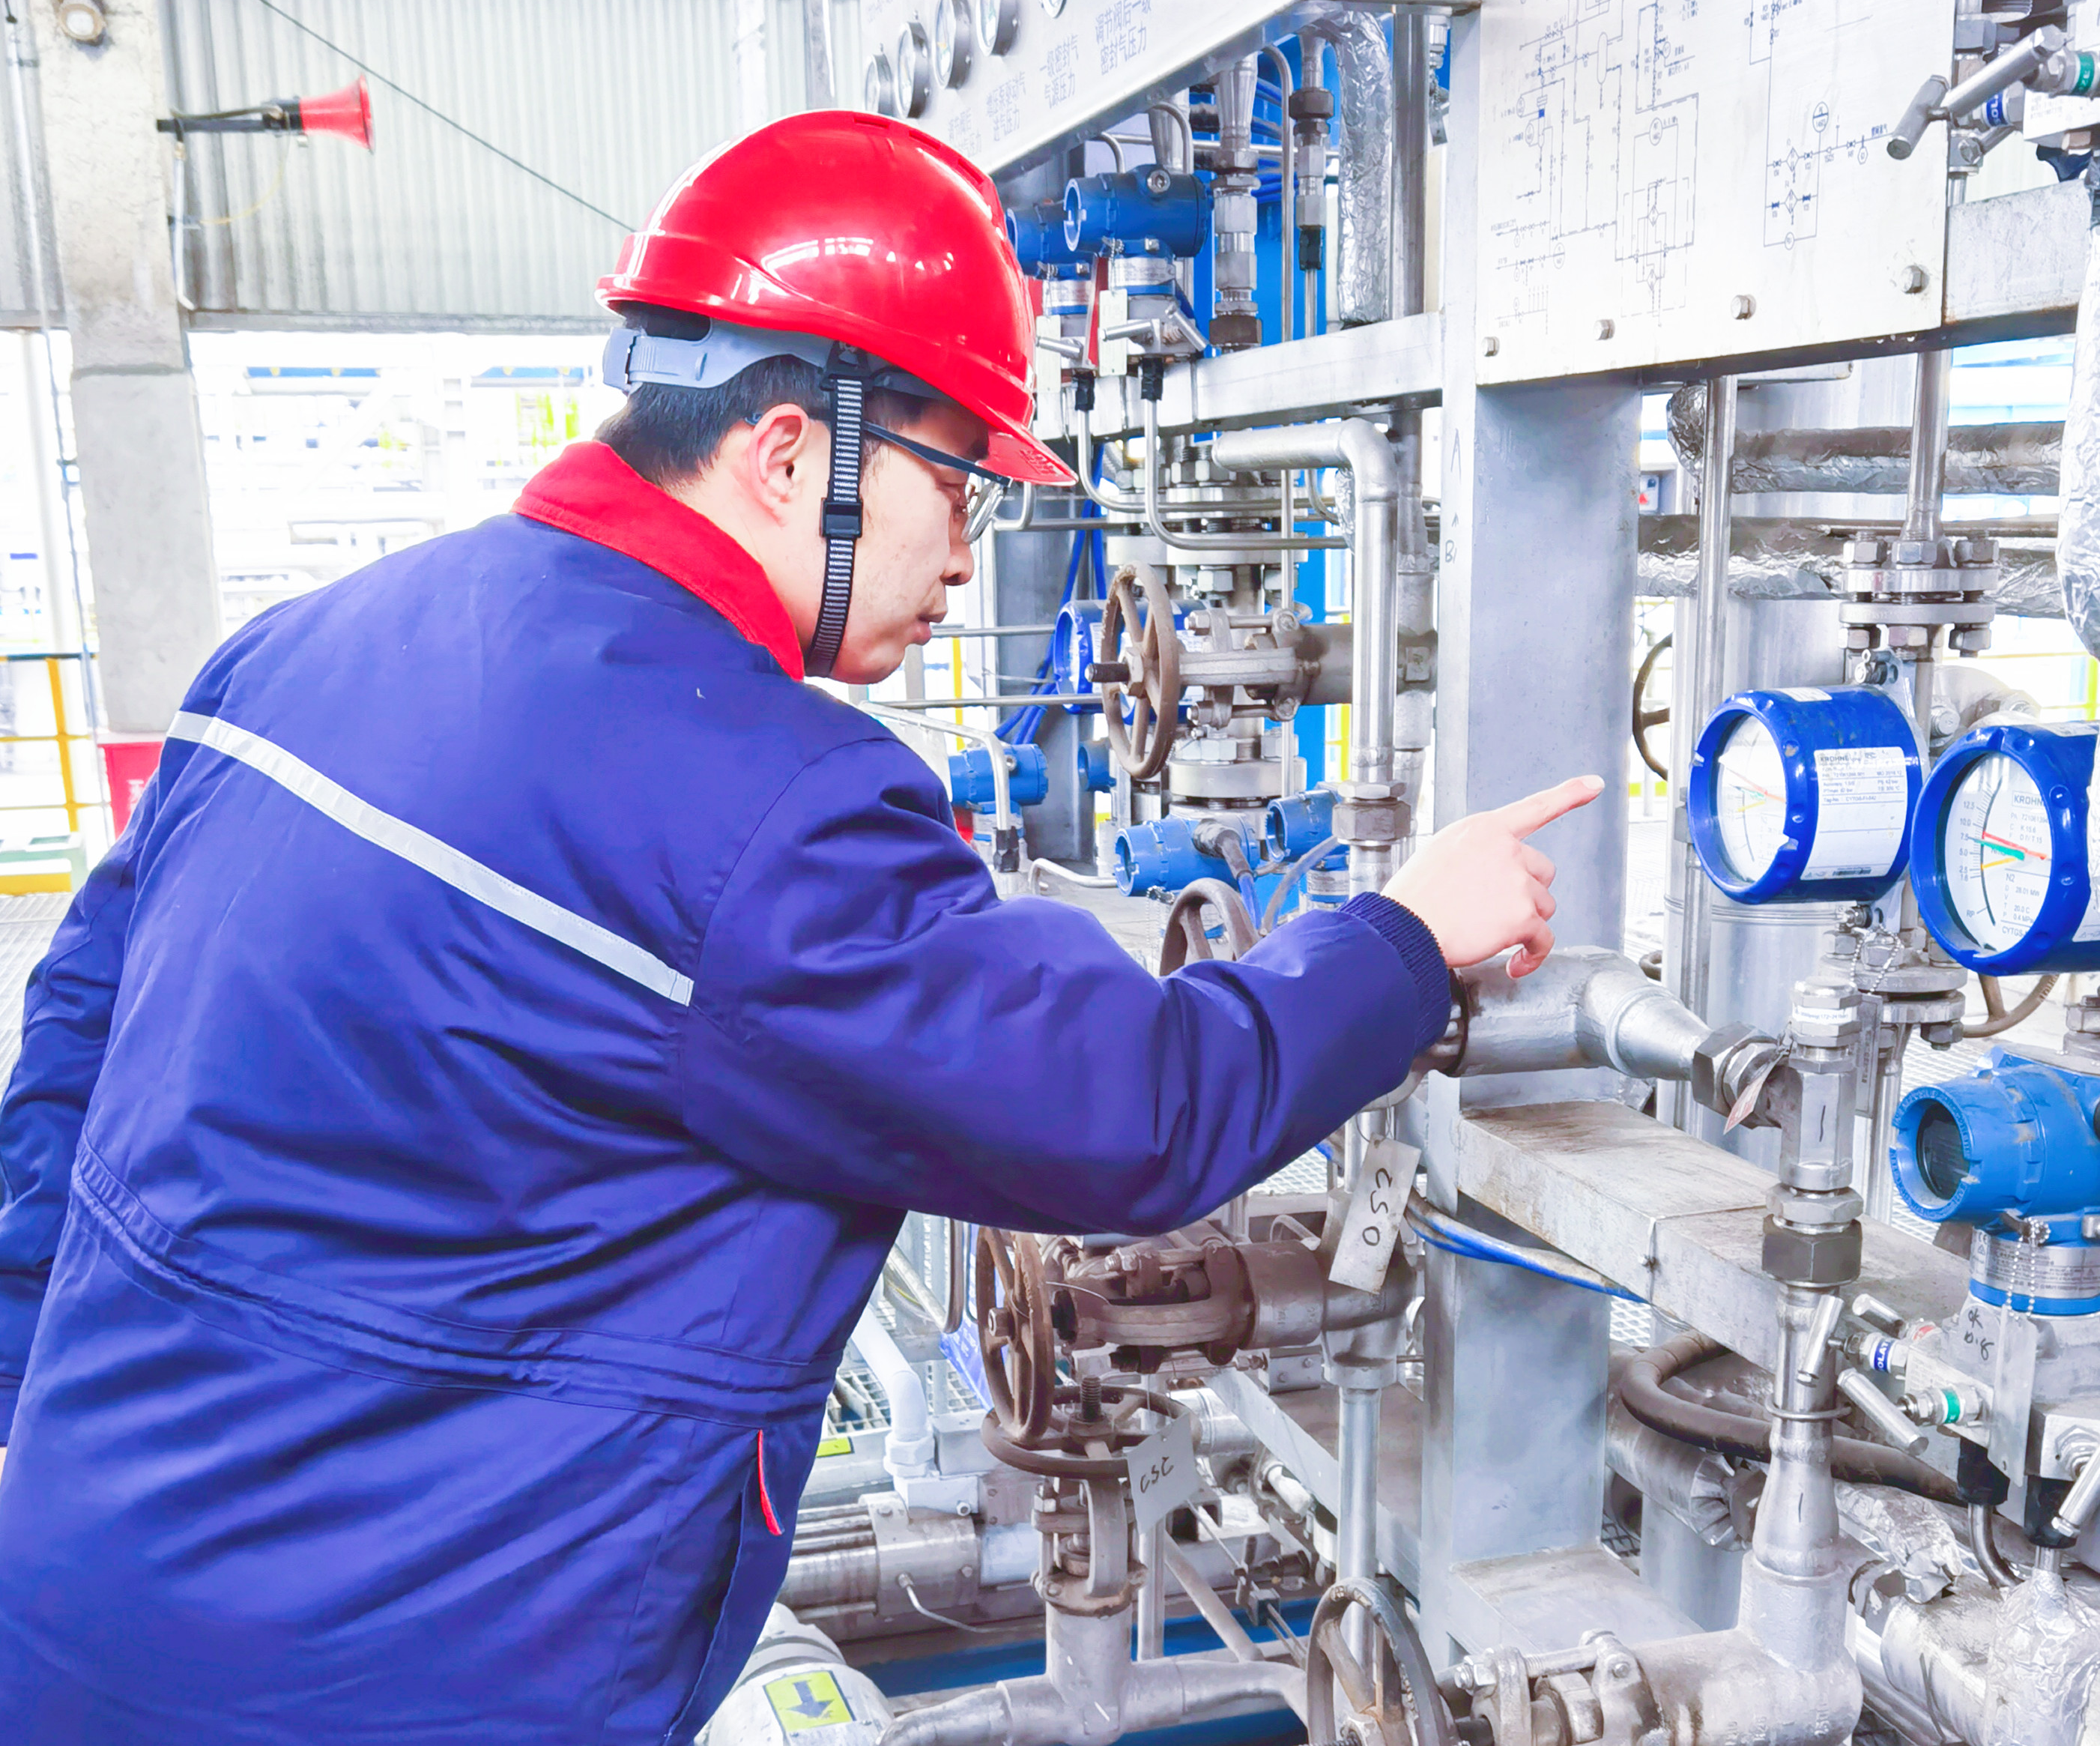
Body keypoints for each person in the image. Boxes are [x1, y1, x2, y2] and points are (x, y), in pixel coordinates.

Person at [0, 112, 1598, 1744]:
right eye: (957, 484)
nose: (966, 555)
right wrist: (1404, 937)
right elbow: (1131, 1108)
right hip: (404, 1678)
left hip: (76, 1593)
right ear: (786, 455)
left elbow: (66, 1061)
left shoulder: (291, 653)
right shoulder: (766, 798)